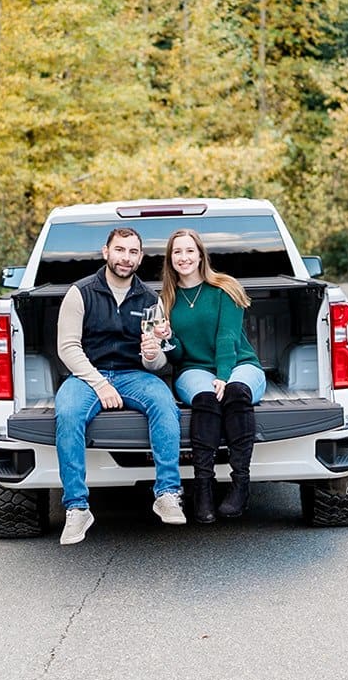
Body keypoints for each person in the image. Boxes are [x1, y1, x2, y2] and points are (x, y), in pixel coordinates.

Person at [54, 226, 185, 545]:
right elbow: (68, 348)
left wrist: (152, 354)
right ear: (106, 252)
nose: (126, 258)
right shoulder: (80, 292)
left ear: (140, 258)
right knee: (67, 413)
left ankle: (167, 493)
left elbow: (156, 362)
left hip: (132, 374)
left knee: (164, 403)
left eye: (133, 252)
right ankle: (77, 508)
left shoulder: (150, 299)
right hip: (87, 375)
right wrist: (100, 384)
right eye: (120, 250)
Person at [155, 228, 266, 524]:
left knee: (236, 393)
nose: (184, 257)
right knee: (206, 399)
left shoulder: (225, 288)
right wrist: (167, 339)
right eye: (177, 252)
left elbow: (227, 337)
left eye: (190, 250)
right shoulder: (166, 300)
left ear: (201, 255)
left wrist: (224, 376)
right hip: (193, 370)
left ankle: (240, 485)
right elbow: (177, 356)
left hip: (239, 364)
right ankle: (203, 488)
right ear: (170, 259)